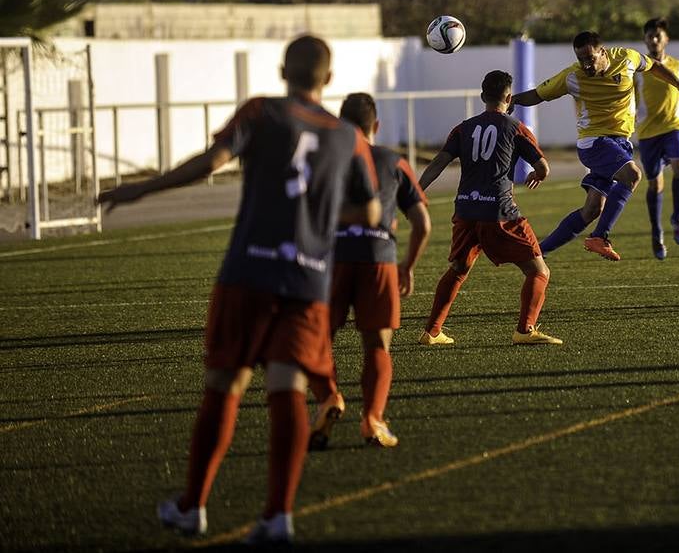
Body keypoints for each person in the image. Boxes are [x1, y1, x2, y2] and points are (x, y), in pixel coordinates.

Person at [98, 35, 380, 544]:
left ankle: (193, 505)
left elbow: (212, 162)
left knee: (225, 383)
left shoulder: (261, 111)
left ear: (281, 70)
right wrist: (316, 217)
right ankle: (277, 515)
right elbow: (373, 211)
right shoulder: (348, 137)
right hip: (307, 277)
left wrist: (140, 189)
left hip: (248, 272)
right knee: (287, 388)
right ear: (329, 80)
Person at [307, 92, 431, 451]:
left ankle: (329, 398)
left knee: (319, 339)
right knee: (377, 344)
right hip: (379, 257)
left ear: (341, 124)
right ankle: (373, 420)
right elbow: (422, 224)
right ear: (375, 126)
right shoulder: (393, 161)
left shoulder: (326, 160)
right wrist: (407, 266)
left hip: (332, 259)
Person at [511, 30, 679, 261]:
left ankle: (537, 252)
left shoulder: (626, 58)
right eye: (581, 59)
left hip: (619, 143)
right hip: (594, 143)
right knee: (632, 175)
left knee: (592, 209)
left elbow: (652, 66)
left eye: (590, 58)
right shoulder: (573, 76)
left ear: (603, 52)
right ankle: (600, 237)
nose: (586, 65)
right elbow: (538, 94)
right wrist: (511, 100)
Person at [417, 70, 562, 345]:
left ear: (483, 96)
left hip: (465, 210)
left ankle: (432, 332)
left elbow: (438, 162)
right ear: (509, 97)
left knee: (459, 268)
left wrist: (415, 192)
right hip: (499, 211)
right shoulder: (516, 128)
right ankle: (525, 330)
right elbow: (543, 167)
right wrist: (538, 175)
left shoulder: (463, 127)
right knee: (539, 271)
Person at [636, 17, 679, 259]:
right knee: (655, 184)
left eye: (657, 36)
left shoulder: (678, 66)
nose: (653, 40)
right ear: (645, 40)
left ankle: (677, 218)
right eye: (649, 36)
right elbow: (627, 99)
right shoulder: (638, 69)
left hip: (674, 127)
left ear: (666, 39)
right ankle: (656, 232)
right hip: (648, 132)